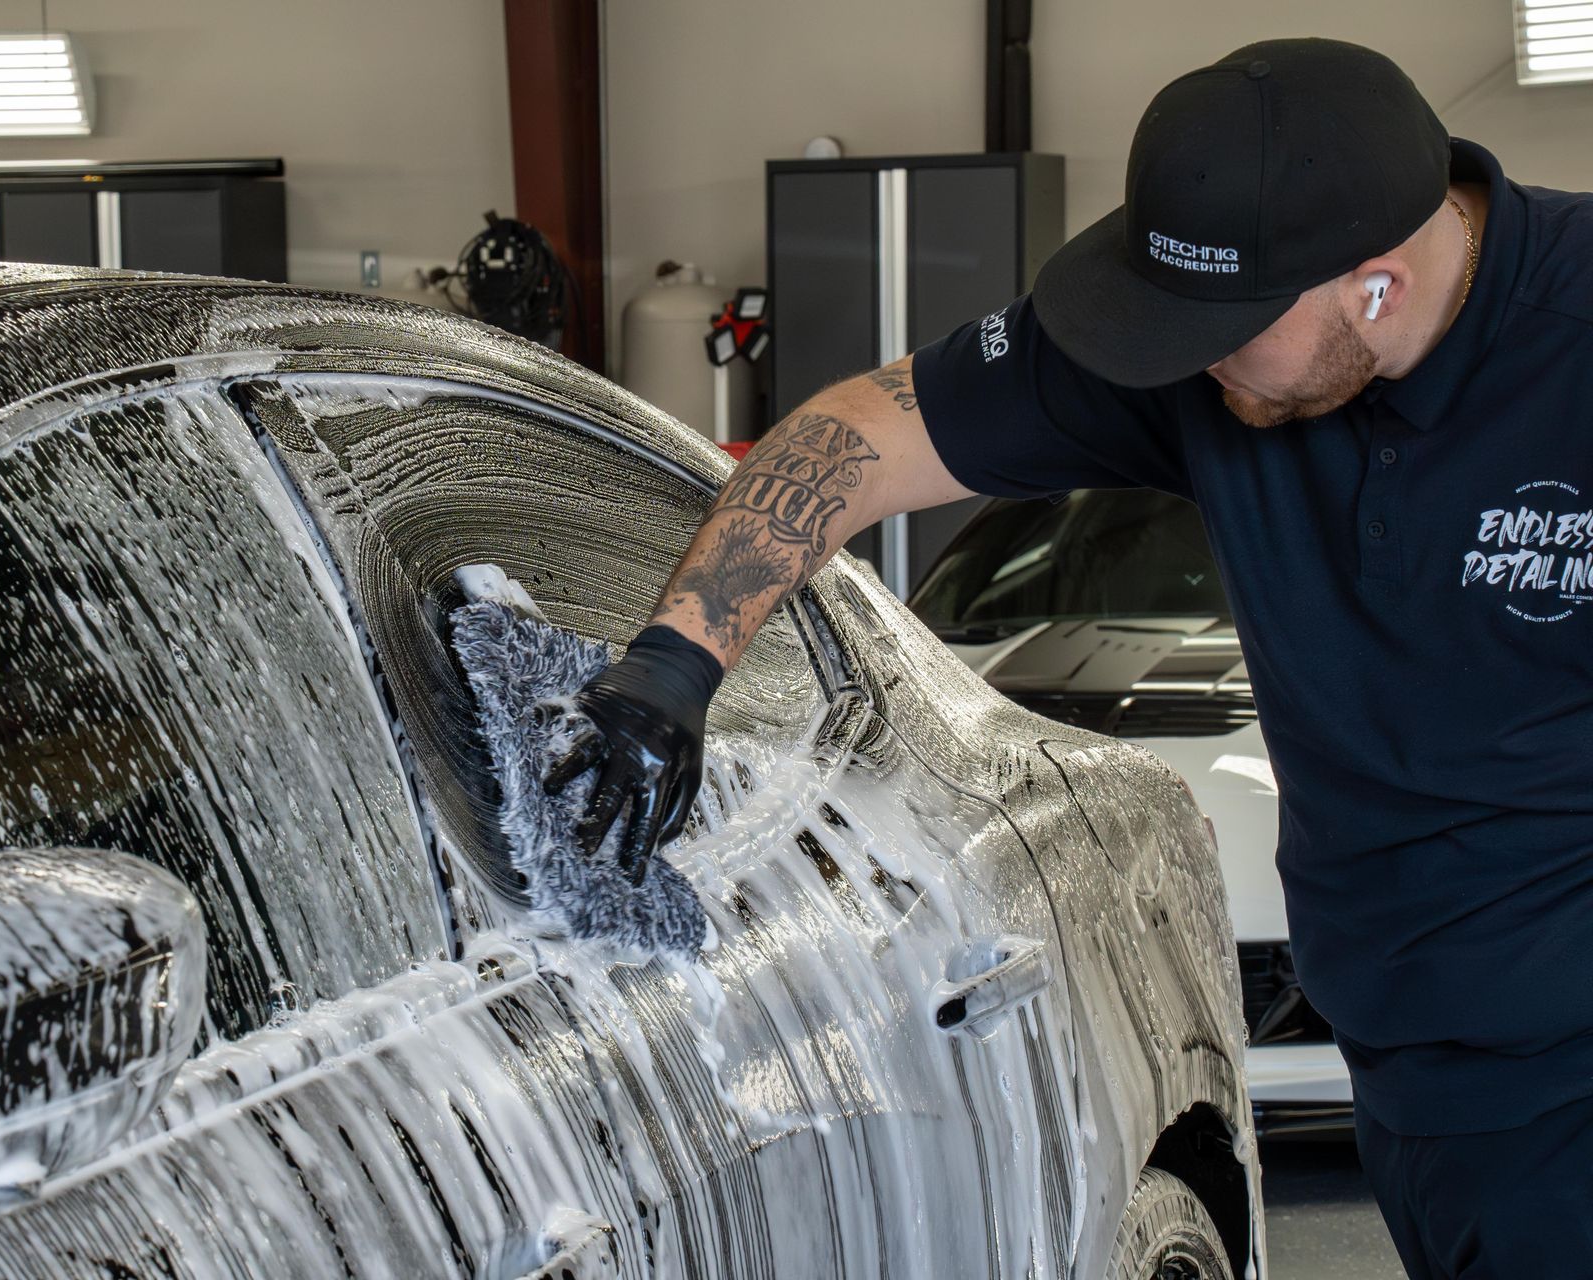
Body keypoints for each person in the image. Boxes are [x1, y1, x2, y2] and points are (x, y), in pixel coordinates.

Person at [547, 36, 1593, 1279]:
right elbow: (856, 435)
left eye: (1219, 331)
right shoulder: (1208, 360)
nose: (1187, 360)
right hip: (1422, 1088)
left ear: (1373, 285)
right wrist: (675, 659)